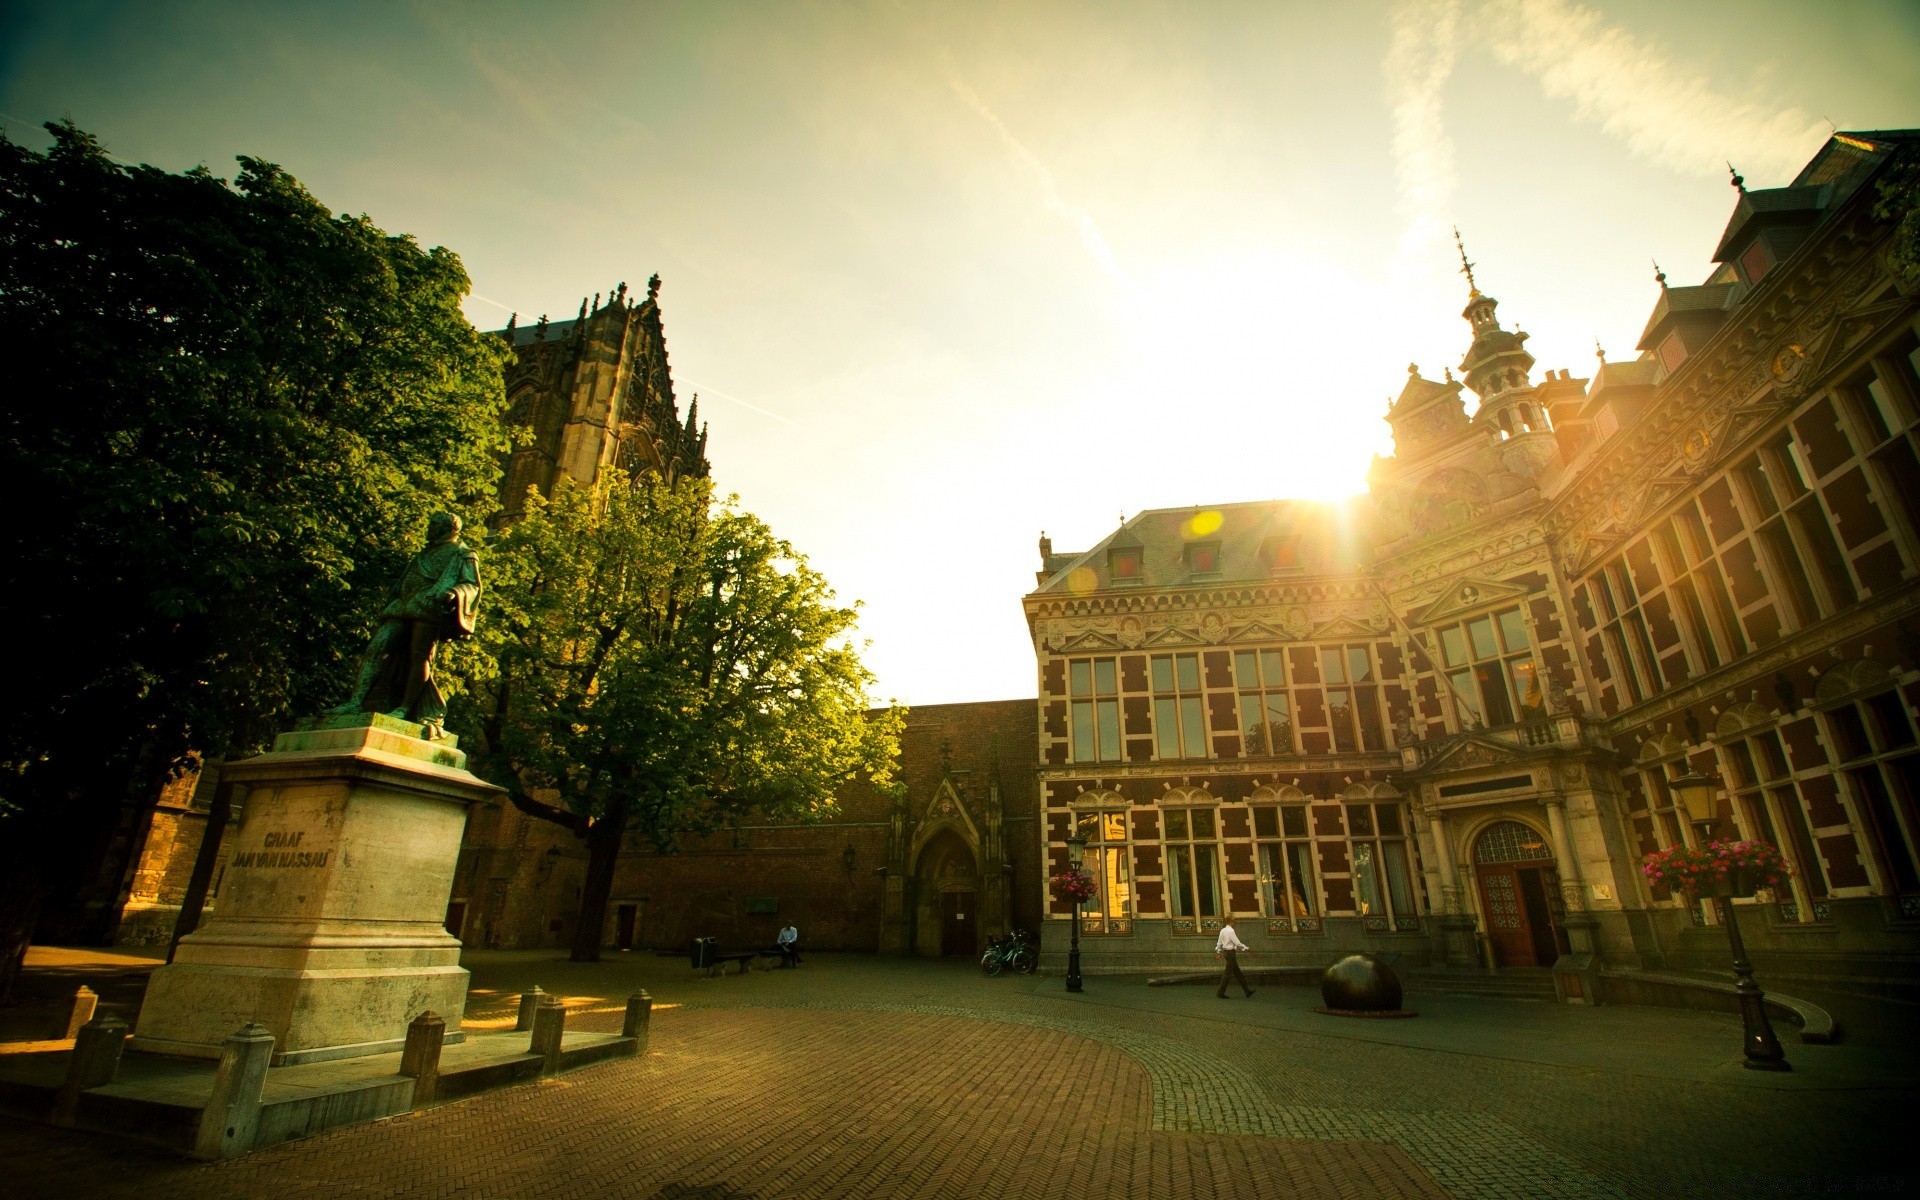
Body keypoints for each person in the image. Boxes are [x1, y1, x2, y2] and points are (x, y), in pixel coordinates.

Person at [332, 511, 481, 737]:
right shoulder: (426, 552)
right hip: (402, 605)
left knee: (419, 657)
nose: (428, 527)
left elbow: (471, 585)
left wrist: (453, 593)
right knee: (377, 647)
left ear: (448, 528)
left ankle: (404, 708)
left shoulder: (463, 554)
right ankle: (355, 701)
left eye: (433, 524)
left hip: (427, 607)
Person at [1215, 920, 1254, 998]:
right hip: (1230, 953)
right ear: (1231, 922)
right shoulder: (1231, 931)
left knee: (1237, 973)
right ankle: (1220, 992)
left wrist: (1218, 952)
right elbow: (1237, 942)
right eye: (1234, 922)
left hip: (1226, 952)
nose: (1235, 924)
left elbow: (1219, 942)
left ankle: (1247, 991)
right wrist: (1246, 948)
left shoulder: (1223, 930)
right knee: (1227, 973)